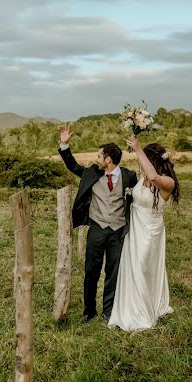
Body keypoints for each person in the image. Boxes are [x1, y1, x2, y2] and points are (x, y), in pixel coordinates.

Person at [58, 124, 138, 323]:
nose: (96, 158)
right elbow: (73, 166)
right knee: (91, 270)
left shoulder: (129, 176)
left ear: (108, 160)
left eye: (99, 155)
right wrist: (64, 145)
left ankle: (108, 311)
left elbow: (139, 196)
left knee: (113, 271)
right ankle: (89, 311)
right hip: (97, 229)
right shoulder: (92, 172)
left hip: (118, 231)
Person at [108, 136, 180, 331]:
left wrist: (138, 149)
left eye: (145, 160)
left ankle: (142, 313)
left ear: (153, 161)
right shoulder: (142, 179)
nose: (142, 164)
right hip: (134, 231)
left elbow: (154, 177)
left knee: (142, 268)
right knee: (131, 268)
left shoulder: (167, 182)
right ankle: (128, 309)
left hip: (150, 232)